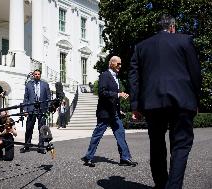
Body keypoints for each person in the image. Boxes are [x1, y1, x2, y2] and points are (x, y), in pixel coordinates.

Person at [128, 14, 201, 189]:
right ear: (172, 27)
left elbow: (134, 78)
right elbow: (195, 73)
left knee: (157, 145)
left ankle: (161, 185)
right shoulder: (185, 41)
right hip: (182, 100)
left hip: (152, 102)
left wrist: (135, 106)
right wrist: (196, 100)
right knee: (181, 145)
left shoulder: (141, 47)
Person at [81, 56, 138, 167]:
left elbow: (113, 98)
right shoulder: (104, 75)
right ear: (111, 63)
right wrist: (118, 94)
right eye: (118, 64)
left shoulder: (116, 77)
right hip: (105, 113)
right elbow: (102, 93)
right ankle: (88, 157)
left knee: (120, 134)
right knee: (97, 135)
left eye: (121, 64)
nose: (120, 66)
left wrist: (118, 109)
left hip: (114, 113)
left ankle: (125, 158)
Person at [20, 69, 51, 154]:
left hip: (42, 109)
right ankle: (27, 145)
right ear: (33, 75)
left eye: (38, 74)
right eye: (35, 74)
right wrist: (25, 109)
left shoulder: (45, 84)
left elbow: (49, 98)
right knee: (29, 127)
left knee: (41, 129)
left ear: (40, 75)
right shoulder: (28, 84)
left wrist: (48, 109)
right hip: (31, 109)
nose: (37, 75)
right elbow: (26, 98)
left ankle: (41, 147)